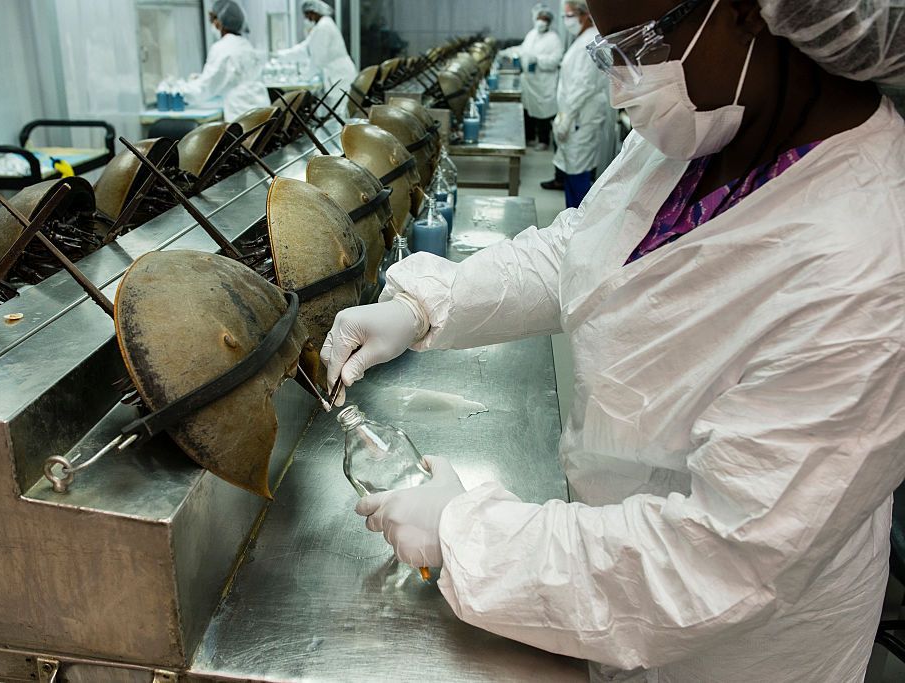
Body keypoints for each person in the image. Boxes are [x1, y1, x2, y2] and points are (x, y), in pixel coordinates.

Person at [321, 0, 905, 681]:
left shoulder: (868, 262)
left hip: (737, 654)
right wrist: (427, 305)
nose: (621, 81)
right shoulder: (706, 130)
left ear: (748, 13)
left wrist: (468, 534)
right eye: (608, 51)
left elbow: (721, 560)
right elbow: (588, 249)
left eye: (638, 43)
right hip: (605, 579)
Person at [541, 0, 612, 208]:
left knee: (578, 171)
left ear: (584, 15)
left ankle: (578, 221)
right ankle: (571, 217)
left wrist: (567, 117)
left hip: (582, 118)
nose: (566, 20)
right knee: (573, 169)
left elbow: (584, 86)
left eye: (569, 15)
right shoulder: (583, 39)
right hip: (577, 117)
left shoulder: (589, 42)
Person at [184, 1, 270, 120]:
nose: (213, 24)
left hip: (241, 112)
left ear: (220, 22)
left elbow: (206, 86)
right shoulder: (245, 44)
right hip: (260, 109)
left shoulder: (222, 48)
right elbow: (229, 77)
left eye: (214, 20)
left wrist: (180, 90)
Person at [275, 1, 358, 118]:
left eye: (307, 15)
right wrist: (281, 55)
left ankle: (343, 136)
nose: (307, 19)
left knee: (339, 114)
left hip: (339, 75)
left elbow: (318, 58)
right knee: (335, 114)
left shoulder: (324, 26)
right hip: (335, 75)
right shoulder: (321, 26)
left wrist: (305, 78)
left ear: (314, 12)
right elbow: (305, 48)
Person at [516, 3, 564, 150]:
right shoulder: (531, 35)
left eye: (544, 19)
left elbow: (555, 60)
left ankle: (543, 141)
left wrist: (538, 60)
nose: (541, 21)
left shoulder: (554, 39)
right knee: (528, 110)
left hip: (544, 82)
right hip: (529, 81)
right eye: (539, 18)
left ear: (549, 21)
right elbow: (523, 50)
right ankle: (529, 138)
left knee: (543, 113)